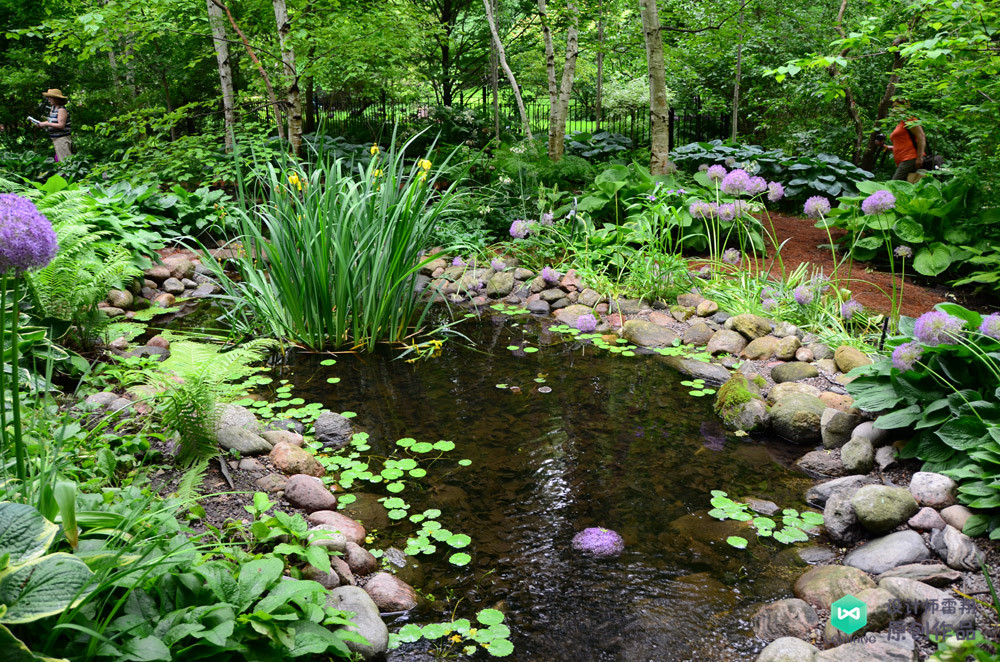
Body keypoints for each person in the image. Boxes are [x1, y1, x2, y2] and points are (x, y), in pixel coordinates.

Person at [885, 101, 925, 181]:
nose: (894, 109)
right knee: (908, 184)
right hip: (904, 159)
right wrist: (890, 147)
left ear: (905, 106)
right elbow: (903, 143)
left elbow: (921, 136)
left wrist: (919, 157)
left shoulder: (910, 120)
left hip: (910, 158)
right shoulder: (901, 122)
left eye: (897, 106)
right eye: (893, 107)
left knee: (894, 184)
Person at [35, 88, 72, 162]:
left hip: (62, 139)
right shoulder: (53, 108)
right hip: (55, 139)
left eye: (50, 98)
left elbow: (61, 125)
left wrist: (46, 124)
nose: (49, 99)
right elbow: (52, 121)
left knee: (65, 162)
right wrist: (41, 124)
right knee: (59, 160)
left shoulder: (62, 110)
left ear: (56, 99)